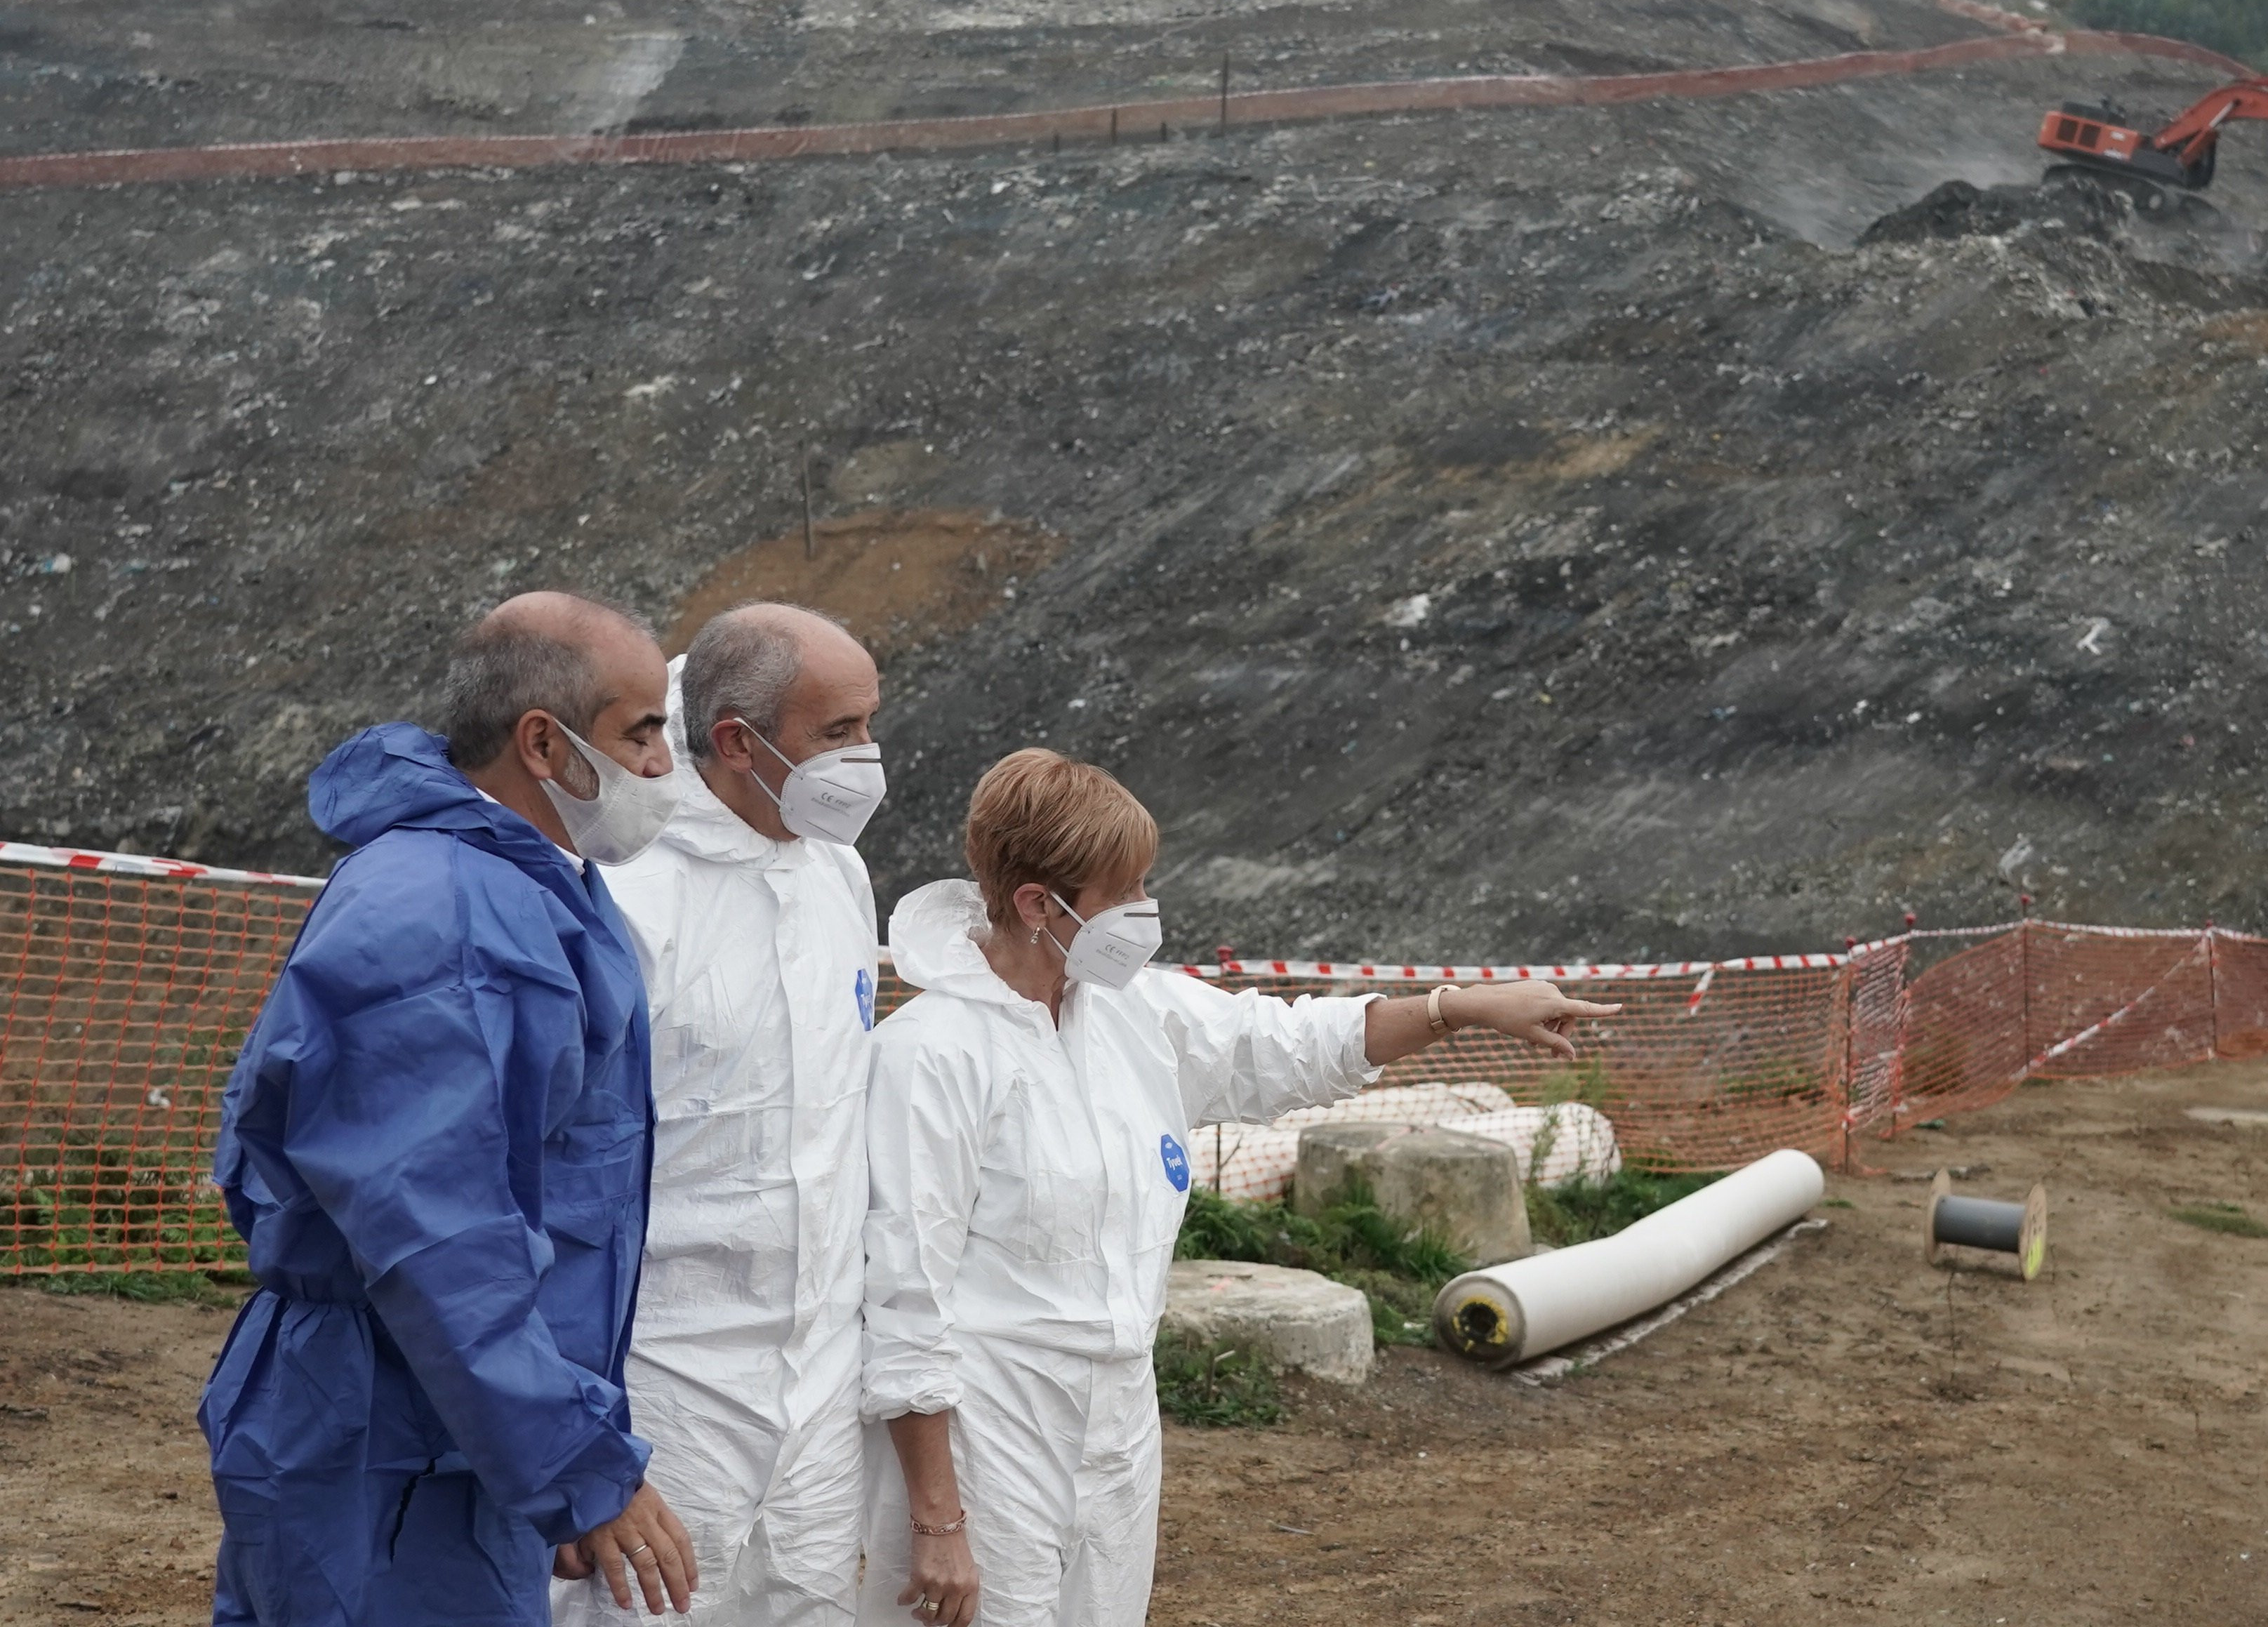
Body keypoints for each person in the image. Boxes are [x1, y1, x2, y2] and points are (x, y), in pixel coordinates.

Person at [858, 748, 1617, 1627]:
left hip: (1117, 1418)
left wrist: (1462, 1007)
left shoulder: (1132, 1015)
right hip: (992, 1428)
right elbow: (905, 1298)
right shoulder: (932, 1055)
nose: (1146, 912)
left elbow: (1293, 1044)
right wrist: (939, 1518)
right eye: (1125, 890)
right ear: (1037, 903)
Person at [201, 592, 703, 1627]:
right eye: (642, 731)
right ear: (542, 742)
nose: (663, 765)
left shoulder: (527, 884)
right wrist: (574, 1463)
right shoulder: (447, 917)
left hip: (440, 1430)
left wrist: (530, 1458)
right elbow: (443, 1236)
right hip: (380, 1440)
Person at [556, 603, 887, 1627]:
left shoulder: (840, 876)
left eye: (872, 726)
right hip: (667, 1384)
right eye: (839, 736)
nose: (869, 760)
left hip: (821, 1390)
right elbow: (553, 1177)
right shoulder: (625, 896)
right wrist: (574, 1448)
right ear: (738, 742)